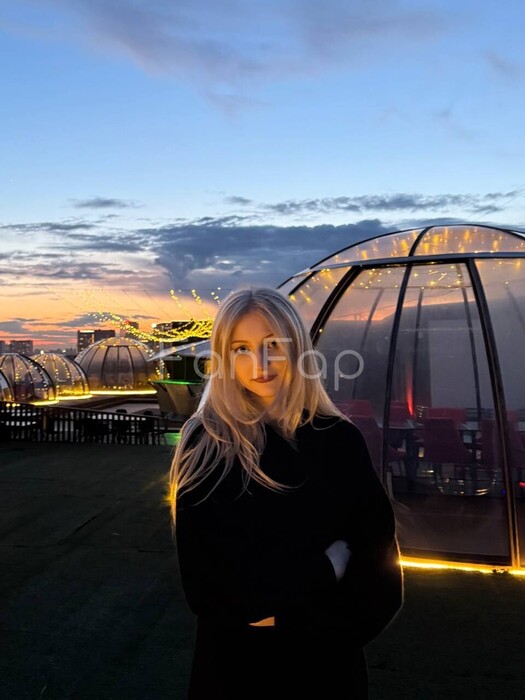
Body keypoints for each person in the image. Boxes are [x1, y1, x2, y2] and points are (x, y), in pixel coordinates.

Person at [169, 286, 403, 699]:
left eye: (272, 344)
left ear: (297, 346)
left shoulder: (340, 440)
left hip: (329, 671)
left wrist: (284, 616)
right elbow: (209, 587)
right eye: (241, 348)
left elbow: (379, 577)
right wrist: (325, 569)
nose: (259, 364)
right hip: (235, 673)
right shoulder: (206, 444)